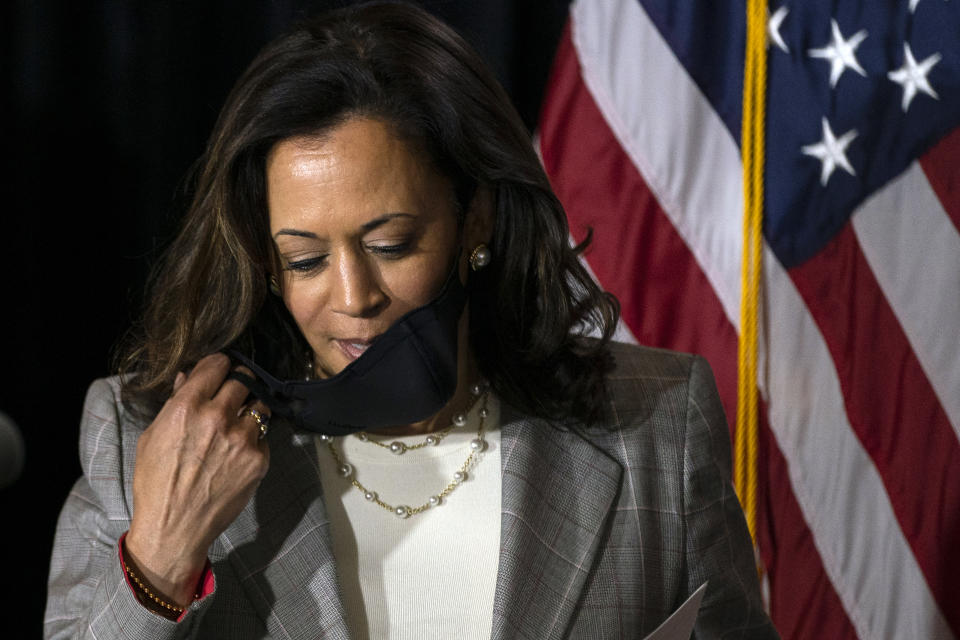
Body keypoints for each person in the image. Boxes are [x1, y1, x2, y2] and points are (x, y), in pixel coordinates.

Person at [45, 3, 778, 638]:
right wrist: (162, 557)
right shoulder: (138, 438)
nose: (353, 295)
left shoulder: (657, 425)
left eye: (390, 245)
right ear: (263, 262)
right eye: (303, 261)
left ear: (475, 220)